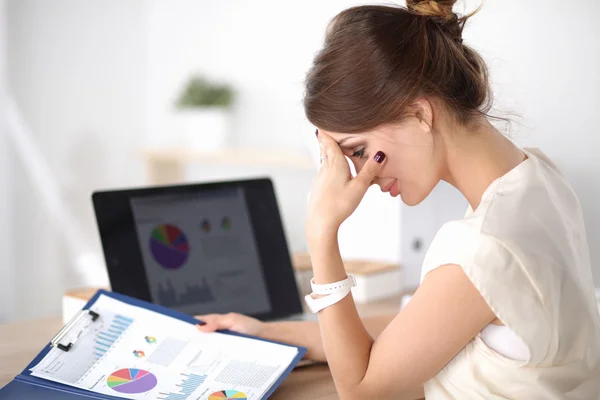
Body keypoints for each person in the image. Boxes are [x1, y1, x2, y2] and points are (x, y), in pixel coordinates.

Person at [196, 1, 600, 398]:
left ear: (420, 113)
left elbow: (361, 391)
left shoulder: (482, 247)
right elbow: (425, 326)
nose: (360, 177)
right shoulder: (538, 177)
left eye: (356, 150)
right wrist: (268, 332)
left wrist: (321, 231)